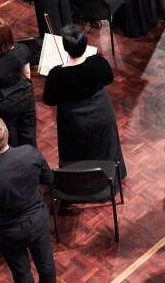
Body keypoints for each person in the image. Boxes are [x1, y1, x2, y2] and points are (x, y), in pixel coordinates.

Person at [0, 114, 56, 283]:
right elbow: (48, 179)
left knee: (21, 273)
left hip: (10, 233)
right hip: (38, 221)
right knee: (46, 264)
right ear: (7, 134)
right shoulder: (30, 152)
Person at [43, 25, 127, 177]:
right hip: (101, 114)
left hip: (72, 122)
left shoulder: (56, 74)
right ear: (85, 44)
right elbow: (109, 78)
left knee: (75, 153)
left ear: (65, 48)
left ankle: (78, 184)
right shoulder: (98, 62)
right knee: (105, 148)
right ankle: (109, 179)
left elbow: (48, 100)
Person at [0, 18, 36, 147]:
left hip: (2, 104)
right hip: (25, 98)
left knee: (10, 136)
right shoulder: (22, 49)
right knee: (29, 133)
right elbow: (27, 74)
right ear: (9, 34)